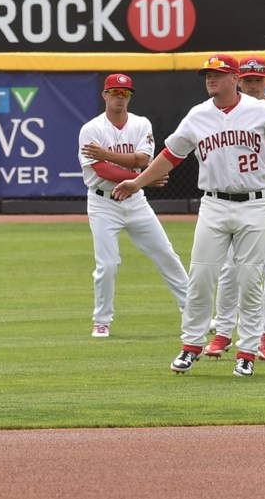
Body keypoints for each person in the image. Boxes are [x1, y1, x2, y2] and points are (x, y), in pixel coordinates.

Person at [112, 54, 265, 378]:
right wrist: (137, 181)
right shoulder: (198, 116)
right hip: (214, 204)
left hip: (256, 202)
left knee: (249, 278)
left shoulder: (261, 112)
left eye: (217, 74)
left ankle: (247, 351)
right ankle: (191, 345)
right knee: (201, 276)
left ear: (234, 78)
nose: (210, 79)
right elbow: (171, 155)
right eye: (207, 74)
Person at [78, 73, 189, 338]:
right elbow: (101, 169)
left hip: (135, 201)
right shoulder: (91, 129)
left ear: (130, 97)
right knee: (107, 264)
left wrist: (114, 158)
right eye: (115, 92)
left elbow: (142, 159)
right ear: (104, 95)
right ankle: (102, 320)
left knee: (166, 254)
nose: (120, 97)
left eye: (125, 93)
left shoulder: (140, 123)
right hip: (103, 202)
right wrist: (142, 179)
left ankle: (193, 311)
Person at [205, 55, 265, 362]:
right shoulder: (226, 112)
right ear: (238, 81)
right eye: (248, 80)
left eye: (258, 80)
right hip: (239, 196)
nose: (253, 85)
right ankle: (223, 332)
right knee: (231, 267)